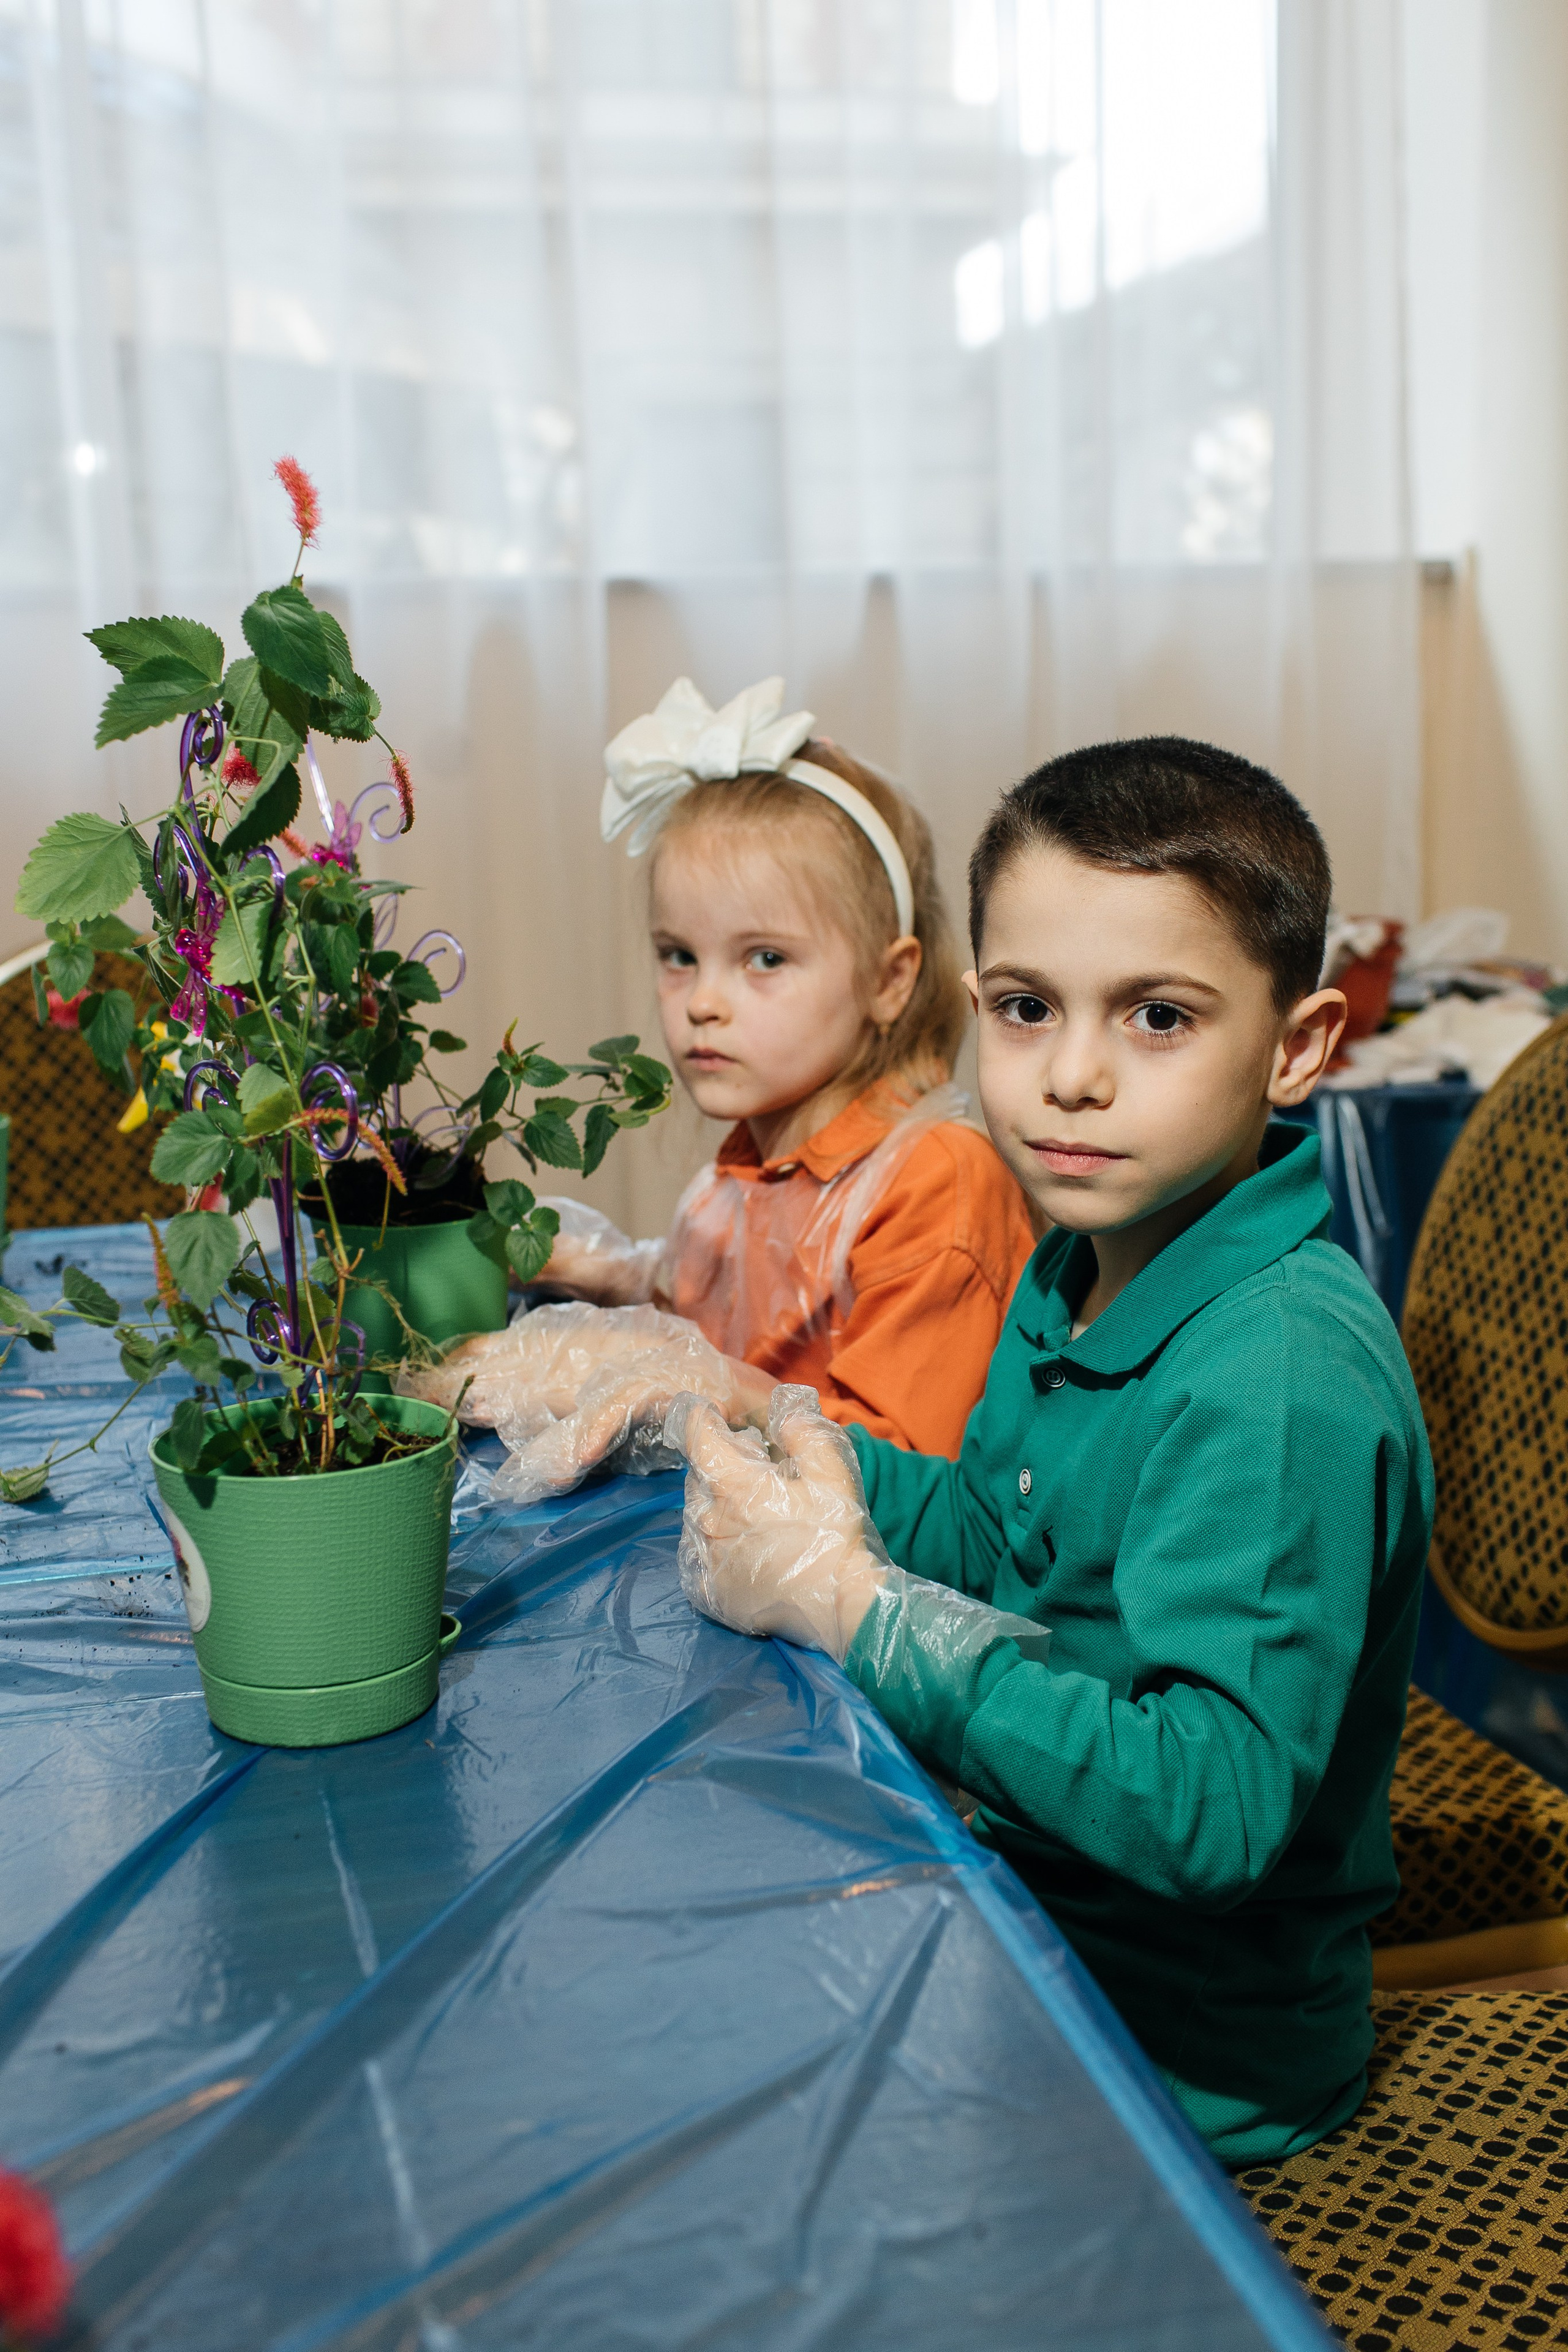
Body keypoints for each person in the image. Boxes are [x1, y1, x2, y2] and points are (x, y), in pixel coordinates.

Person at [661, 736, 1435, 2170]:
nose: (1069, 1079)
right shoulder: (1082, 1253)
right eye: (1025, 1009)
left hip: (1171, 2053)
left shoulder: (1275, 1379)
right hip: (1011, 1912)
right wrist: (761, 1423)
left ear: (1298, 1047)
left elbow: (1205, 1807)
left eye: (1156, 1018)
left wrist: (853, 1609)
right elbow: (987, 1533)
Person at [415, 676, 1035, 1485]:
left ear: (891, 980)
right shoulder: (748, 1164)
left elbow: (910, 1485)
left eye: (764, 959)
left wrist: (682, 1378)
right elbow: (735, 1322)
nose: (703, 1003)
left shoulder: (935, 1183)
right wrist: (612, 1280)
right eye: (679, 955)